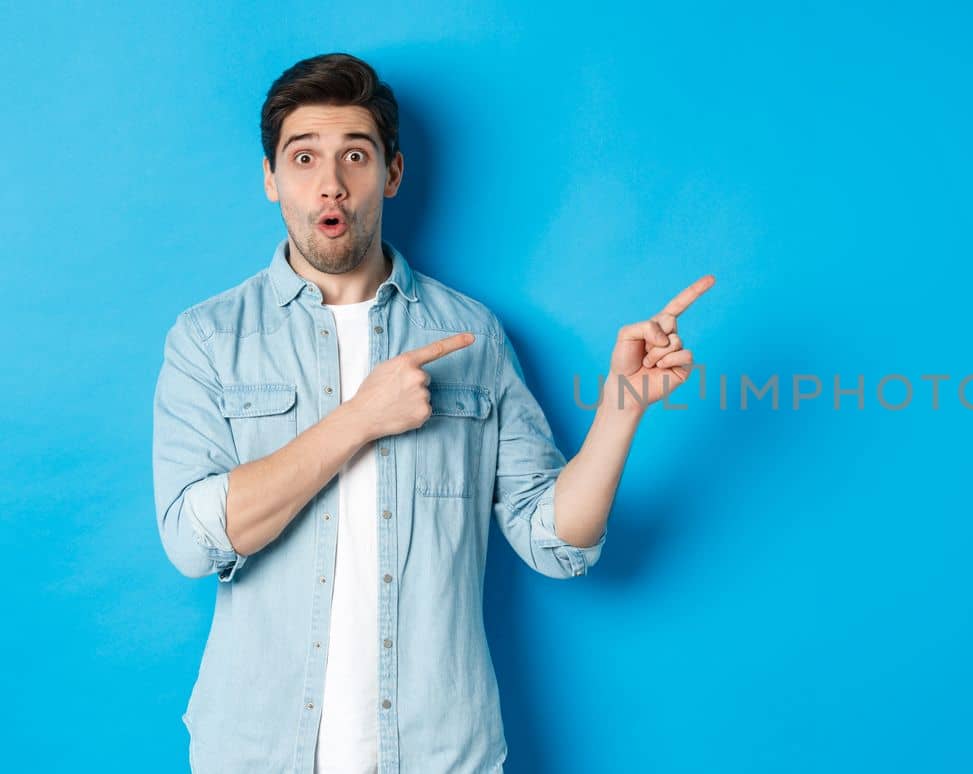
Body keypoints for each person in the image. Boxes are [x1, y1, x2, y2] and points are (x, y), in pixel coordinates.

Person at [151, 52, 713, 773]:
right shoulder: (207, 338)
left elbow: (555, 542)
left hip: (440, 754)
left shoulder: (472, 334)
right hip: (256, 751)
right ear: (271, 178)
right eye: (303, 157)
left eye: (355, 154)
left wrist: (620, 408)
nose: (330, 182)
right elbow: (194, 542)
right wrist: (361, 417)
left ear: (391, 174)